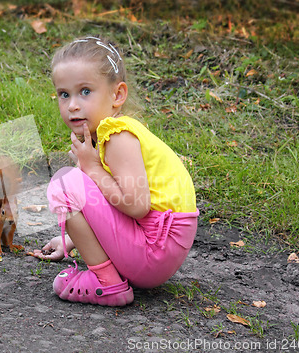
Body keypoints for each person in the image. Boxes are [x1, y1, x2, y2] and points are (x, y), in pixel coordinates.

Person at [32, 36, 199, 306]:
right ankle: (109, 271)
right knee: (74, 182)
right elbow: (94, 204)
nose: (73, 104)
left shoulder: (118, 137)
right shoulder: (102, 136)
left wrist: (91, 167)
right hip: (156, 245)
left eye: (85, 91)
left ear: (117, 95)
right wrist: (70, 242)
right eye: (64, 94)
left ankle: (107, 284)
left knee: (64, 183)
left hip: (154, 248)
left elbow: (137, 206)